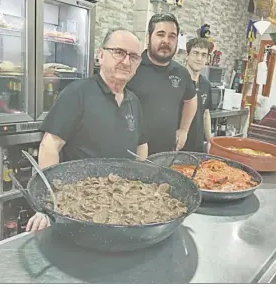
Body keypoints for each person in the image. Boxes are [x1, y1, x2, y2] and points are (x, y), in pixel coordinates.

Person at [26, 28, 148, 231]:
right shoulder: (77, 94)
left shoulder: (133, 101)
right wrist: (48, 203)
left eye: (134, 56)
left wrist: (142, 187)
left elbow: (141, 145)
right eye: (119, 52)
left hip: (122, 208)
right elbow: (50, 145)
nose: (126, 61)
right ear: (101, 55)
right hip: (79, 207)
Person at [127, 13, 197, 155]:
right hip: (132, 154)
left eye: (172, 36)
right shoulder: (131, 67)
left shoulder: (181, 73)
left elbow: (191, 100)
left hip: (166, 154)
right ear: (148, 38)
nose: (166, 41)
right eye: (160, 34)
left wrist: (183, 130)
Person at [181, 38, 213, 153]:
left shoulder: (206, 84)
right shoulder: (177, 81)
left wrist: (210, 141)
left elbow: (206, 114)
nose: (199, 58)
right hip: (177, 145)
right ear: (187, 55)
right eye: (195, 53)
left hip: (197, 146)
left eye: (204, 55)